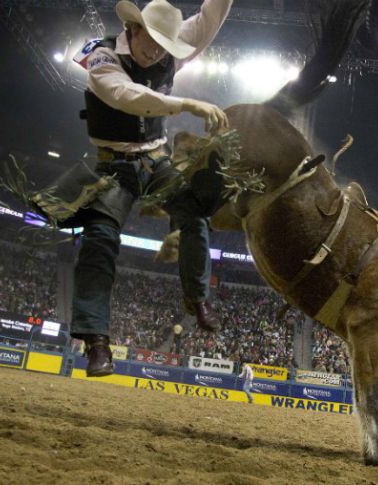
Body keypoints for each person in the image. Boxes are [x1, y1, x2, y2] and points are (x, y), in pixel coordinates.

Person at [36, 0, 233, 377]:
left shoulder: (165, 51)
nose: (157, 51)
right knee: (100, 241)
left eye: (164, 45)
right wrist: (186, 103)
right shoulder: (102, 58)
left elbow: (209, 20)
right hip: (115, 166)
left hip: (156, 160)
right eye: (152, 42)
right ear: (134, 28)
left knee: (194, 214)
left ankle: (197, 297)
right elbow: (127, 97)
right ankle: (96, 342)